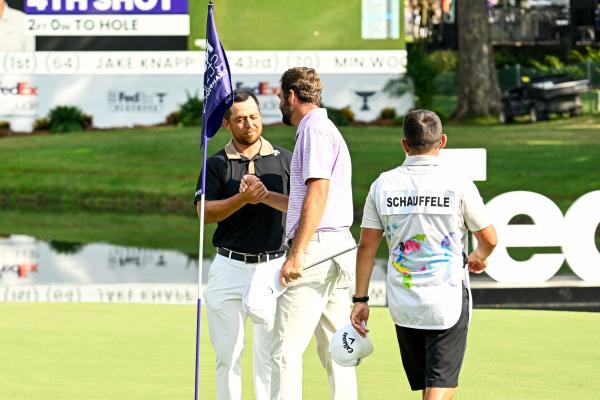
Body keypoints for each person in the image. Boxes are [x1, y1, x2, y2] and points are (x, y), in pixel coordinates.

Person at [350, 109, 497, 400]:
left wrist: (361, 300)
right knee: (440, 385)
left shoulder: (382, 184)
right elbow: (490, 239)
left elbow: (366, 246)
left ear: (405, 144)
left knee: (430, 385)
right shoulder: (458, 182)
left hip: (403, 303)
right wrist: (479, 256)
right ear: (442, 141)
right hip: (447, 300)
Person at [194, 88, 291, 400]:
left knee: (270, 356)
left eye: (254, 117)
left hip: (274, 267)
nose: (249, 124)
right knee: (228, 355)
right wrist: (243, 199)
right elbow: (203, 213)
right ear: (227, 124)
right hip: (228, 267)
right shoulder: (216, 164)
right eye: (240, 119)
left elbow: (300, 207)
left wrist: (264, 197)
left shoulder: (284, 160)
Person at [270, 67, 358, 400]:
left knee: (284, 348)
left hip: (316, 250)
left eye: (280, 96)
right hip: (335, 248)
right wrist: (266, 197)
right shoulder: (324, 127)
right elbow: (307, 200)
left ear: (292, 96)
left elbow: (318, 193)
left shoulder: (314, 130)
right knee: (338, 347)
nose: (279, 103)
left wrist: (296, 255)